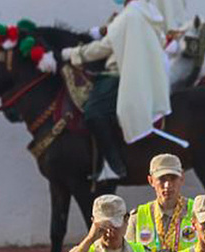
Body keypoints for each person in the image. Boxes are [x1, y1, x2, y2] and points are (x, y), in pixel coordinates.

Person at [61, 0, 171, 180]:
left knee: (93, 112)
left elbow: (104, 47)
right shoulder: (147, 12)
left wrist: (72, 54)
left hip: (118, 74)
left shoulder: (128, 16)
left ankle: (113, 165)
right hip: (142, 73)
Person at [127, 154, 196, 252]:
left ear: (182, 178)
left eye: (173, 178)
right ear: (151, 181)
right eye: (162, 179)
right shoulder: (138, 216)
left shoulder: (196, 212)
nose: (167, 185)